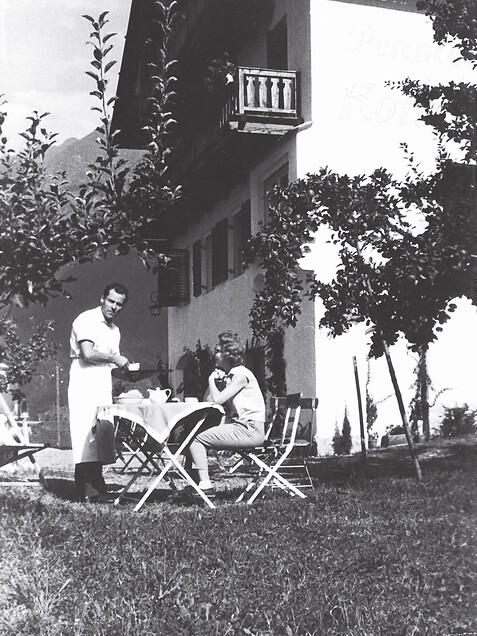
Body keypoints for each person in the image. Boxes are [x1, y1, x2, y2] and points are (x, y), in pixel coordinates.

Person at [68, 283, 130, 502]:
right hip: (84, 378)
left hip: (103, 380)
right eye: (111, 301)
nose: (114, 307)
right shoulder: (86, 319)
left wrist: (132, 374)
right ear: (102, 299)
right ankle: (85, 487)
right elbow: (88, 353)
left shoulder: (114, 330)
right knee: (85, 430)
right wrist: (114, 358)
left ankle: (96, 483)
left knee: (102, 431)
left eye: (119, 304)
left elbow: (113, 364)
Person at [185, 332, 266, 499]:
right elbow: (208, 400)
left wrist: (210, 380)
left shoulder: (241, 376)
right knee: (192, 436)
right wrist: (216, 382)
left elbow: (217, 400)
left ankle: (205, 486)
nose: (215, 353)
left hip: (250, 430)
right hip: (242, 427)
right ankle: (196, 484)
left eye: (218, 350)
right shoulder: (231, 376)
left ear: (227, 354)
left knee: (196, 440)